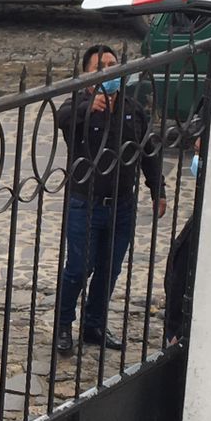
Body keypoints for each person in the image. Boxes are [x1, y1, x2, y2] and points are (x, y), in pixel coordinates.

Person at [53, 44, 166, 356]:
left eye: (112, 64)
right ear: (87, 75)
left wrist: (158, 190)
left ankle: (94, 325)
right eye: (99, 66)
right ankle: (64, 323)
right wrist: (90, 108)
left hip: (121, 206)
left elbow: (149, 151)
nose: (107, 70)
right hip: (84, 203)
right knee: (78, 268)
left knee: (109, 269)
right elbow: (62, 119)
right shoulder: (78, 104)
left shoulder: (132, 108)